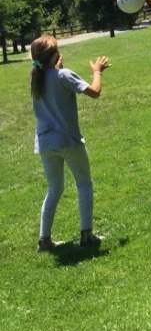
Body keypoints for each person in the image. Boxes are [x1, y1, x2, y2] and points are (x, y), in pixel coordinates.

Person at [30, 35, 109, 252]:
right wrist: (97, 72)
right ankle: (86, 235)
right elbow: (95, 92)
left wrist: (57, 69)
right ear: (54, 56)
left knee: (54, 188)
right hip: (68, 141)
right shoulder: (63, 75)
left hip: (46, 144)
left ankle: (44, 240)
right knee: (84, 183)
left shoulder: (36, 78)